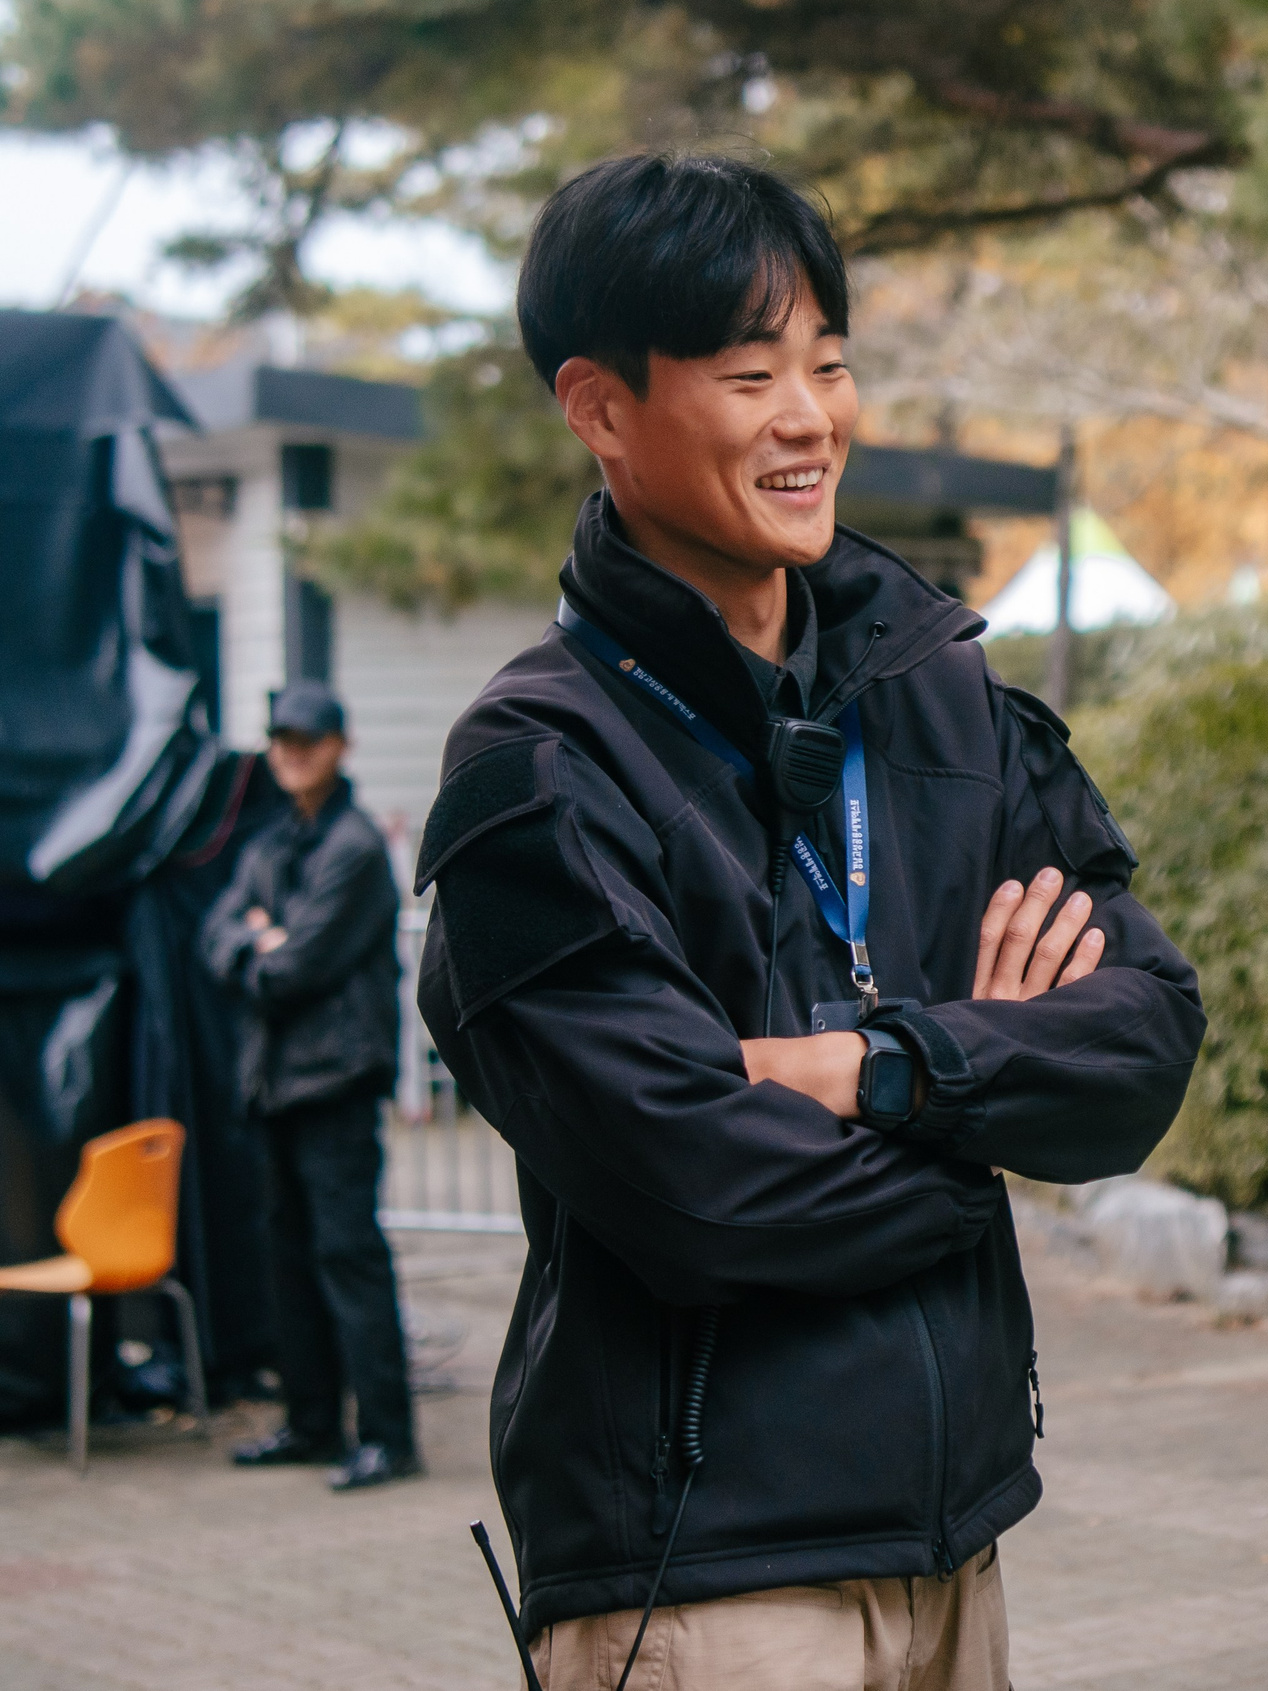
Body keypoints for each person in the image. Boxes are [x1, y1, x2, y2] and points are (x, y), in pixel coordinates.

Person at [415, 152, 1205, 1691]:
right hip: (705, 1579)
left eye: (829, 364)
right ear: (598, 406)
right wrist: (985, 1122)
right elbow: (701, 1191)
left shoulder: (942, 695)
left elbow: (1143, 1041)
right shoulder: (541, 769)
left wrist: (883, 1070)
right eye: (748, 373)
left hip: (958, 1548)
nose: (809, 417)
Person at [201, 680, 418, 1492]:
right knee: (288, 1260)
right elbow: (214, 934)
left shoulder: (355, 848)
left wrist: (264, 943)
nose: (291, 752)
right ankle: (313, 1422)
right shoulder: (272, 844)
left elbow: (295, 967)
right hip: (275, 1085)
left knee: (347, 1256)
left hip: (336, 1083)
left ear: (339, 746)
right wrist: (256, 942)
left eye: (306, 739)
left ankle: (388, 1436)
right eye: (281, 739)